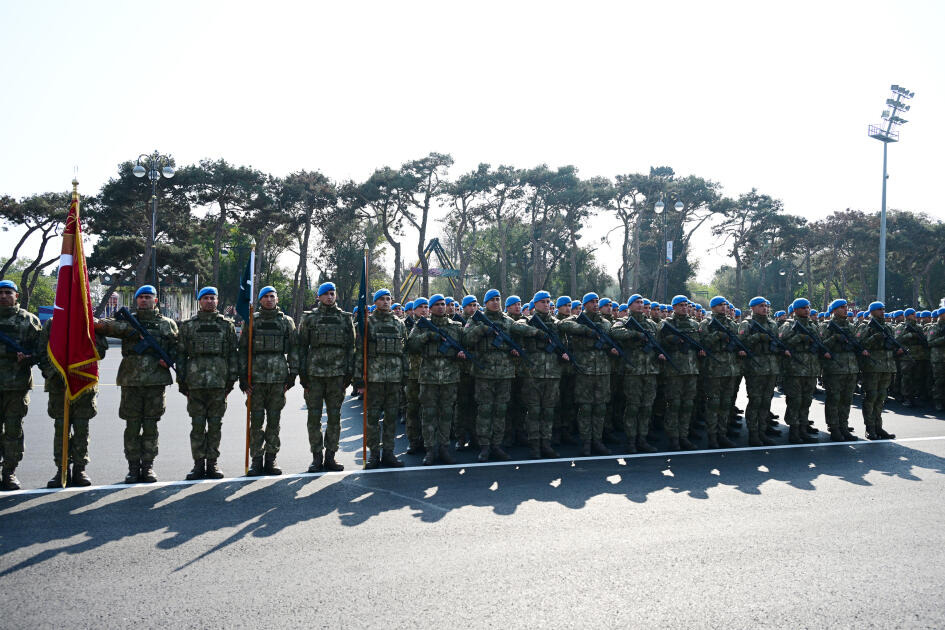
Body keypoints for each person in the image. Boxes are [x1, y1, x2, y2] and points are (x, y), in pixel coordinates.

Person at [95, 284, 178, 483]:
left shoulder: (167, 324)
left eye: (148, 297)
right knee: (132, 426)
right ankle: (133, 467)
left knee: (151, 426)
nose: (144, 300)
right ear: (136, 300)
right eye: (141, 297)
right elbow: (100, 325)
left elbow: (178, 347)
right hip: (131, 381)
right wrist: (130, 331)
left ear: (155, 300)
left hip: (155, 381)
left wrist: (170, 359)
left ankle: (148, 466)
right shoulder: (127, 321)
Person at [463, 289, 538, 462]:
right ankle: (484, 446)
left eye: (498, 299)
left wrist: (517, 347)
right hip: (484, 373)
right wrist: (482, 329)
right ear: (486, 303)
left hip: (505, 373)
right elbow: (466, 340)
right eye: (492, 300)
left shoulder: (507, 321)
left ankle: (497, 444)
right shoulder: (476, 320)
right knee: (485, 410)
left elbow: (518, 336)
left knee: (500, 411)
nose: (496, 302)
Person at [177, 287, 239, 480]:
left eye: (213, 298)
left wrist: (231, 380)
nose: (209, 301)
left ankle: (212, 463)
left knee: (215, 426)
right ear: (199, 301)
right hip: (195, 383)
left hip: (219, 383)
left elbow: (233, 354)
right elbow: (181, 355)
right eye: (205, 298)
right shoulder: (188, 326)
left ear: (217, 301)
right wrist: (182, 381)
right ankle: (198, 464)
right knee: (197, 426)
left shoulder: (226, 325)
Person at [238, 286, 298, 476]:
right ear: (260, 300)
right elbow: (243, 350)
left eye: (272, 296)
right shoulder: (251, 321)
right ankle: (256, 460)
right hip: (255, 379)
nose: (269, 299)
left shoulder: (286, 321)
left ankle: (271, 459)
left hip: (278, 378)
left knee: (274, 421)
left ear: (277, 299)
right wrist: (242, 377)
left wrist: (293, 374)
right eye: (266, 297)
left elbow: (294, 349)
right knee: (256, 422)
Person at [297, 281, 354, 472]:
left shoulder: (345, 318)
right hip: (314, 375)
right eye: (326, 294)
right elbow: (302, 347)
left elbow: (351, 348)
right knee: (314, 418)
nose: (330, 297)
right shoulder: (309, 318)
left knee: (334, 417)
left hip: (337, 375)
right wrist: (302, 374)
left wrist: (349, 373)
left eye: (332, 293)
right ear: (319, 297)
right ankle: (316, 457)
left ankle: (331, 456)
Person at [406, 293, 467, 465]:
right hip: (428, 377)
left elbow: (466, 344)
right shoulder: (421, 325)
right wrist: (427, 336)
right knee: (428, 414)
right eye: (437, 304)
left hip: (450, 377)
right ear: (431, 308)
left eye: (443, 304)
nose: (441, 307)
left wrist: (462, 353)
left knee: (446, 414)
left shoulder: (456, 326)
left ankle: (444, 448)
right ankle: (430, 449)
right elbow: (411, 345)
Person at [558, 292, 619, 456]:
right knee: (585, 408)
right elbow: (563, 324)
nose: (595, 304)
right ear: (584, 304)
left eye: (597, 301)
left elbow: (611, 337)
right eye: (591, 302)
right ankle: (586, 442)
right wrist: (586, 330)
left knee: (600, 408)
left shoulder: (605, 323)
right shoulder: (577, 319)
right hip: (584, 371)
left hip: (603, 372)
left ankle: (597, 440)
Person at [354, 288, 408, 469]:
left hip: (394, 378)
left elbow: (404, 352)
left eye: (388, 298)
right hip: (374, 378)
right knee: (372, 419)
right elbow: (360, 352)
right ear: (375, 302)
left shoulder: (399, 324)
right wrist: (359, 378)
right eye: (382, 299)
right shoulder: (367, 323)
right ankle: (374, 454)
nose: (386, 302)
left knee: (391, 418)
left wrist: (405, 375)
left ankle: (389, 453)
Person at [0, 280, 42, 490]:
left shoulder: (29, 320)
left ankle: (9, 472)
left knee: (13, 431)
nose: (3, 296)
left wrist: (28, 358)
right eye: (0, 292)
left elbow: (41, 351)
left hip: (16, 386)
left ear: (16, 296)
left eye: (8, 292)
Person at [610, 294, 664, 453]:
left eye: (642, 302)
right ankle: (631, 441)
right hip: (632, 371)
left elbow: (657, 343)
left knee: (647, 407)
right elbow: (615, 332)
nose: (640, 305)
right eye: (637, 302)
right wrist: (636, 334)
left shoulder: (651, 324)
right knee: (633, 407)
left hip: (650, 371)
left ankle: (642, 439)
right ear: (630, 306)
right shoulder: (623, 322)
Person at [520, 290, 570, 459]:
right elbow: (517, 327)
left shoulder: (556, 323)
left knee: (548, 412)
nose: (546, 304)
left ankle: (546, 443)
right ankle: (535, 445)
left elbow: (564, 343)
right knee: (534, 411)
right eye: (543, 301)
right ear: (535, 304)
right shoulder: (527, 321)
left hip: (553, 374)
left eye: (548, 301)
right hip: (533, 374)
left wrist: (563, 355)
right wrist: (538, 332)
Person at [655, 295, 705, 450]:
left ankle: (684, 435)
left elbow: (699, 343)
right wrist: (671, 340)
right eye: (681, 305)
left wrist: (701, 352)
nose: (684, 307)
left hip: (691, 370)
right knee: (674, 405)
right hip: (674, 370)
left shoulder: (694, 323)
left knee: (688, 405)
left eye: (686, 305)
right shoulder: (665, 324)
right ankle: (673, 438)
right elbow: (657, 344)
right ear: (674, 307)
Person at [738, 296, 789, 447]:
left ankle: (762, 431)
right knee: (755, 401)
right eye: (761, 306)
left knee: (766, 401)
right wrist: (757, 337)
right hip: (755, 368)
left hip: (771, 367)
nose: (765, 308)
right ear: (752, 308)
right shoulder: (746, 324)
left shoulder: (772, 323)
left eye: (766, 306)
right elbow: (741, 344)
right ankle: (753, 433)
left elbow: (777, 343)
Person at [778, 298, 830, 444]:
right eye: (803, 308)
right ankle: (794, 431)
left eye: (808, 307)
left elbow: (819, 343)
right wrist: (799, 338)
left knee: (806, 401)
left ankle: (803, 427)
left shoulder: (813, 325)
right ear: (795, 310)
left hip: (811, 370)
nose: (807, 310)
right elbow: (781, 345)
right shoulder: (788, 325)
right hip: (794, 370)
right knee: (795, 401)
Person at [696, 296, 741, 449]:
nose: (724, 307)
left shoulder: (732, 323)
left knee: (726, 404)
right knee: (713, 404)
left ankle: (722, 434)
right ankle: (712, 436)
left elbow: (738, 343)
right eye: (720, 305)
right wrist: (717, 335)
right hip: (713, 369)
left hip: (730, 369)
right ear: (713, 307)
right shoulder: (706, 323)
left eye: (725, 305)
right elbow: (702, 343)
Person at [856, 301, 903, 440]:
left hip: (886, 366)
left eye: (883, 309)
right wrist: (875, 337)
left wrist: (897, 351)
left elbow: (890, 345)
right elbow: (859, 345)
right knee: (871, 397)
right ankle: (870, 428)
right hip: (872, 366)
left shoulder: (888, 326)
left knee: (881, 398)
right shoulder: (865, 326)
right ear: (872, 312)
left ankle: (878, 427)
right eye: (879, 309)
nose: (882, 311)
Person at [819, 299, 861, 441]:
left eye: (845, 307)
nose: (845, 309)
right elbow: (821, 346)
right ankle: (834, 428)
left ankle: (844, 426)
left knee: (847, 400)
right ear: (834, 310)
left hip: (851, 368)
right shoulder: (826, 326)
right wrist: (835, 338)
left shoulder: (851, 326)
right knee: (834, 399)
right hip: (834, 369)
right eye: (842, 307)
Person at [896, 308, 930, 408]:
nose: (915, 316)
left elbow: (924, 340)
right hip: (907, 356)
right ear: (907, 316)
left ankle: (914, 396)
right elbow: (897, 339)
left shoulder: (919, 327)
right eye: (912, 314)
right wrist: (910, 335)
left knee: (917, 377)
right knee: (906, 377)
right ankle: (907, 397)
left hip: (919, 356)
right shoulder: (901, 326)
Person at [929, 309, 945, 413]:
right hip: (938, 359)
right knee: (939, 381)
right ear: (941, 315)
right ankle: (937, 401)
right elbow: (930, 342)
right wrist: (943, 339)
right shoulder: (934, 327)